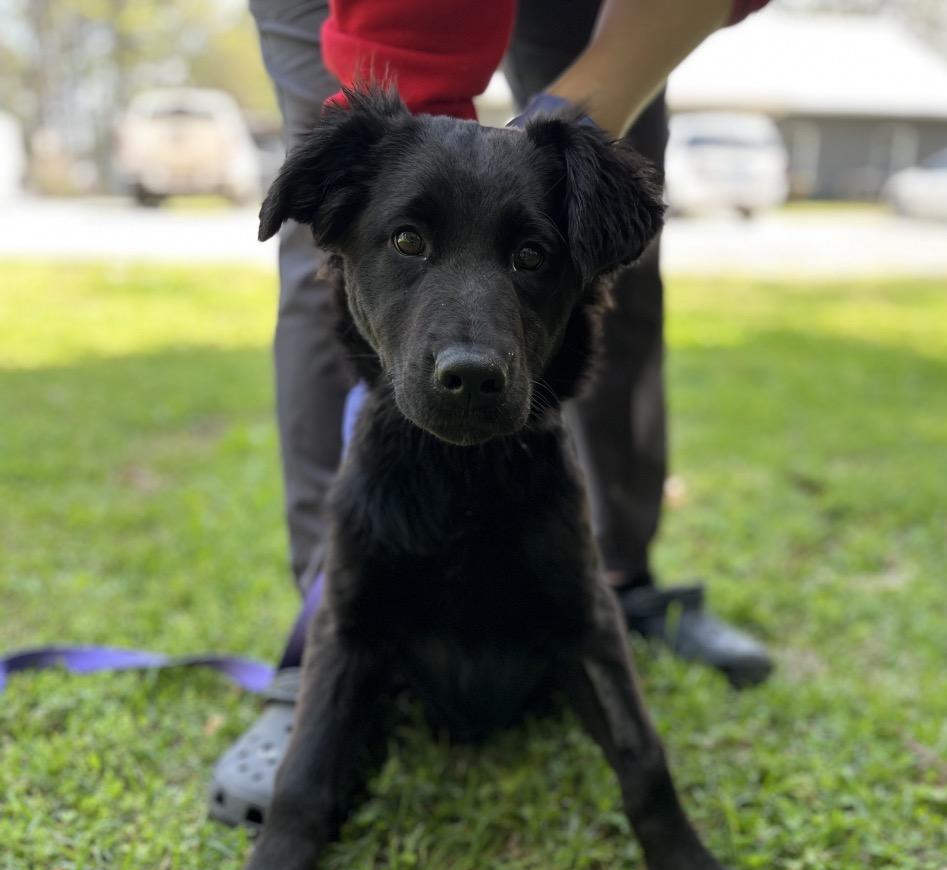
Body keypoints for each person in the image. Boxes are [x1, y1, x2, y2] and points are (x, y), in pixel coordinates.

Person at [211, 0, 773, 827]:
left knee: (608, 210)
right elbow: (401, 131)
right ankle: (333, 629)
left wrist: (567, 136)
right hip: (380, 14)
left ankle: (615, 579)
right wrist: (409, 166)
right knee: (346, 233)